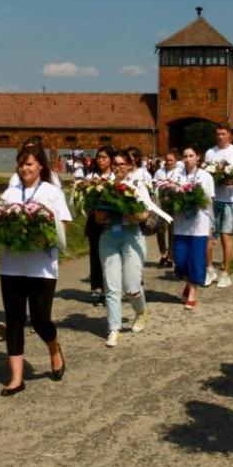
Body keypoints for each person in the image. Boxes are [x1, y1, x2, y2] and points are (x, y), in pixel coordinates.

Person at [0, 145, 71, 395]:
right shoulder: (10, 193)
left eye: (29, 164)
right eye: (21, 165)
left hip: (41, 267)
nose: (24, 169)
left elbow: (62, 227)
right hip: (12, 265)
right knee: (14, 320)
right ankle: (16, 378)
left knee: (40, 320)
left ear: (40, 165)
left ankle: (54, 348)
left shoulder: (52, 192)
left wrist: (43, 236)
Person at [95, 149, 152, 347]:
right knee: (111, 285)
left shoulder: (137, 185)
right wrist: (103, 214)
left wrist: (130, 213)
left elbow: (145, 213)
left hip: (132, 235)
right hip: (109, 235)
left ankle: (141, 311)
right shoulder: (104, 186)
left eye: (122, 164)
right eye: (115, 164)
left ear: (129, 165)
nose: (118, 167)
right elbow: (97, 217)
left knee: (131, 286)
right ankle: (114, 328)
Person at [204, 122, 233, 288]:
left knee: (225, 236)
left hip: (229, 199)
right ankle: (209, 270)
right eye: (218, 134)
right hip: (212, 199)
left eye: (223, 134)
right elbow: (205, 175)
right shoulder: (210, 152)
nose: (220, 137)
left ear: (229, 134)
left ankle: (226, 273)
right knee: (209, 236)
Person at [171, 145, 215, 310]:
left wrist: (211, 225)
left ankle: (192, 294)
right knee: (180, 259)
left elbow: (210, 201)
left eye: (191, 156)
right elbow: (168, 193)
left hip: (200, 222)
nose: (188, 159)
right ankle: (189, 283)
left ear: (198, 157)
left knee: (196, 259)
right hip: (181, 223)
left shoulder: (206, 176)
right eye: (185, 156)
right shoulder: (177, 175)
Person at [84, 146, 114, 306]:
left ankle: (110, 288)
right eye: (99, 157)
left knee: (110, 258)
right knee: (95, 255)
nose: (100, 160)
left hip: (111, 221)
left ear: (111, 159)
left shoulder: (115, 177)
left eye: (104, 157)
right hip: (94, 221)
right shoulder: (91, 177)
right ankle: (96, 288)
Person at [152, 148, 181, 267]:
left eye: (171, 160)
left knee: (172, 232)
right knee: (160, 229)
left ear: (175, 160)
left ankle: (170, 256)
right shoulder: (159, 172)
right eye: (167, 160)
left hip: (174, 204)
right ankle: (163, 254)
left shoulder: (180, 171)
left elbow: (182, 185)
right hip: (161, 204)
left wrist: (173, 185)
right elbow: (154, 185)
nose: (168, 162)